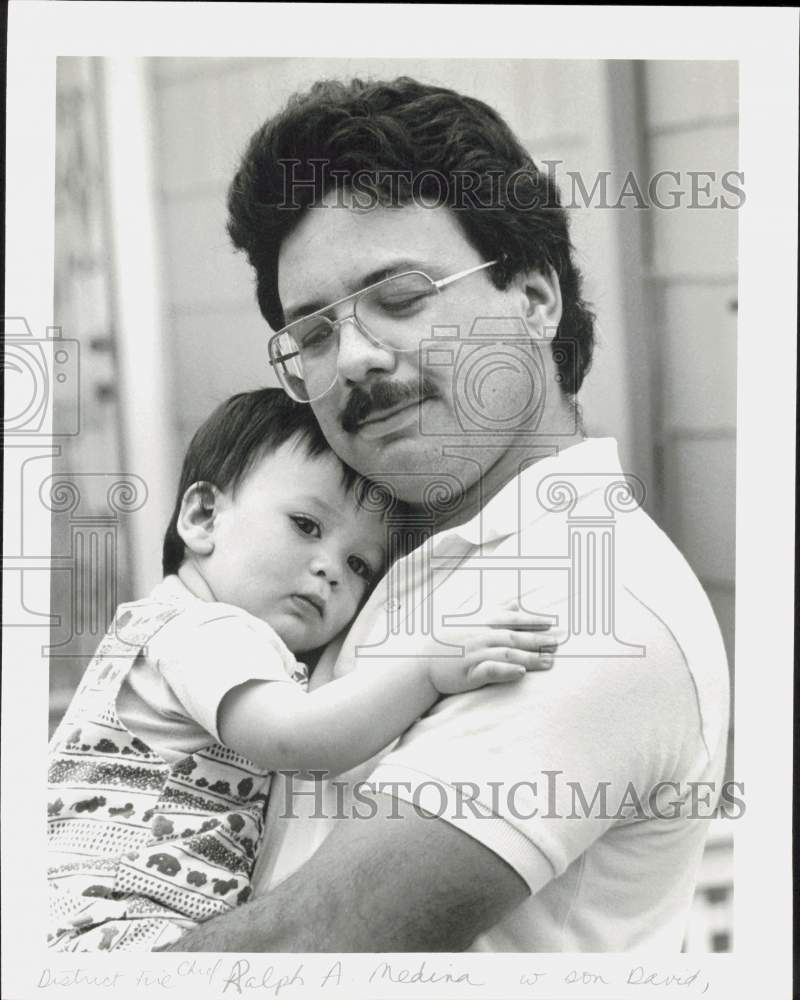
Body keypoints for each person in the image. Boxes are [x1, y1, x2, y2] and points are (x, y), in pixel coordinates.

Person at [169, 77, 729, 953]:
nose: (352, 357)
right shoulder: (371, 555)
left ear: (535, 300)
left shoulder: (586, 602)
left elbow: (299, 954)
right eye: (312, 333)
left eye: (400, 298)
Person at [47, 388, 558, 952]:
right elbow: (297, 739)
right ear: (202, 517)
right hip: (110, 932)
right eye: (307, 526)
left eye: (359, 563)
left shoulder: (173, 626)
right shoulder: (202, 632)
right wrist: (427, 668)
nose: (331, 570)